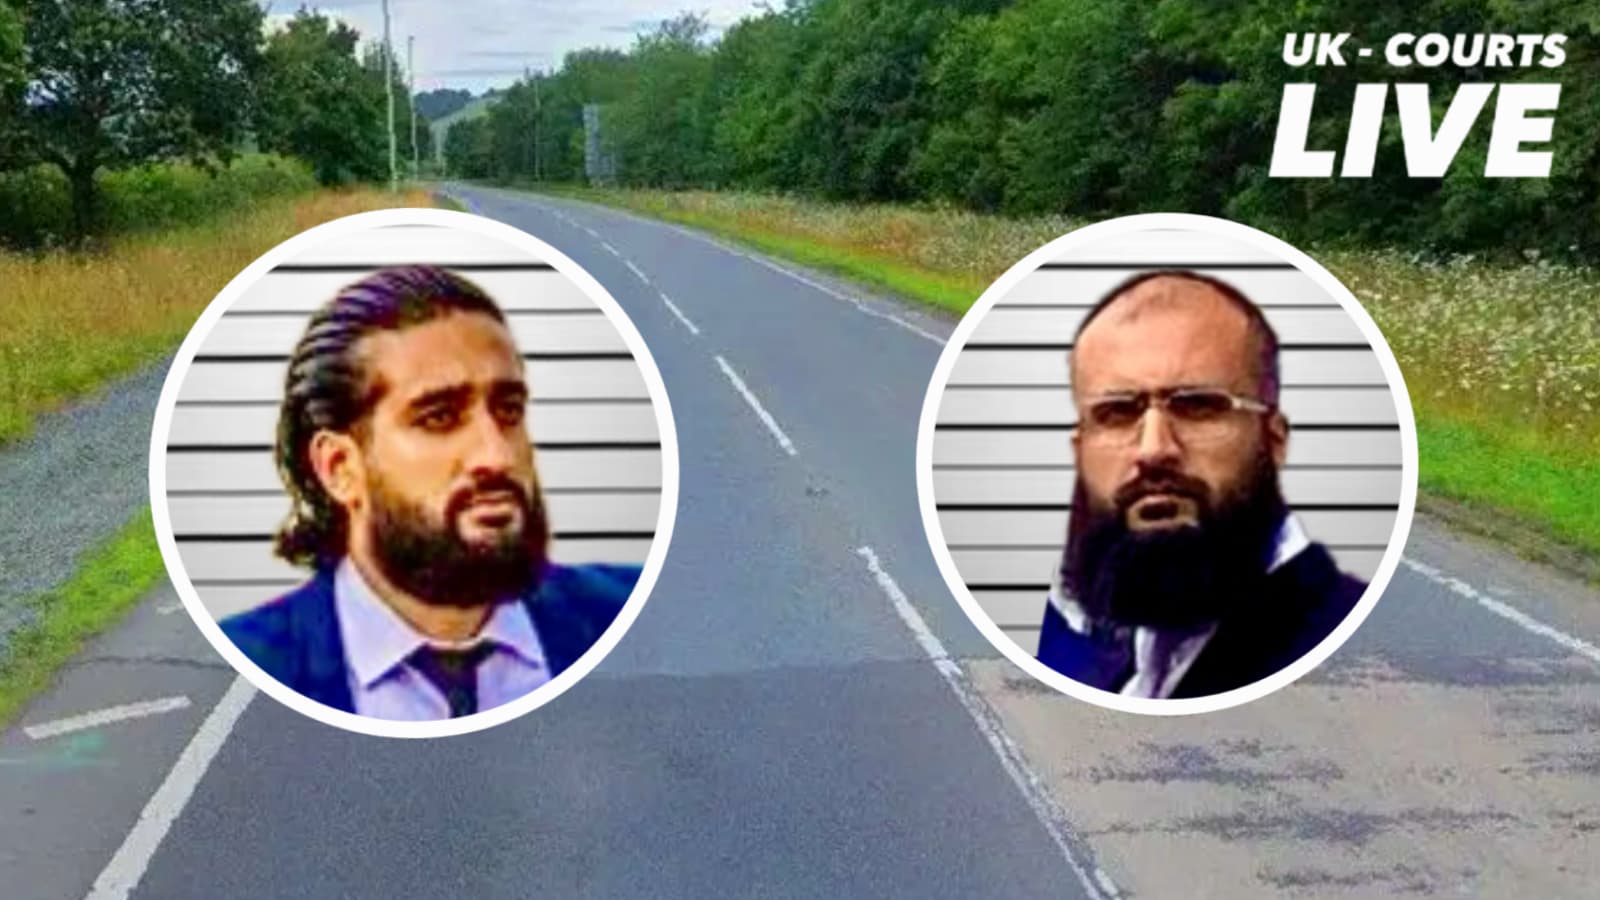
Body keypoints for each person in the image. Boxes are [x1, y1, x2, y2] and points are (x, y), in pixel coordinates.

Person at [221, 265, 638, 720]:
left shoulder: (632, 615)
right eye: (438, 418)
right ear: (340, 468)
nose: (496, 456)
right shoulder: (245, 666)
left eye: (509, 410)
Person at [1035, 270, 1368, 699]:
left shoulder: (1330, 639)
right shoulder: (1109, 643)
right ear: (1080, 448)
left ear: (1274, 439)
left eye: (1197, 407)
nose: (1154, 450)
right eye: (1117, 413)